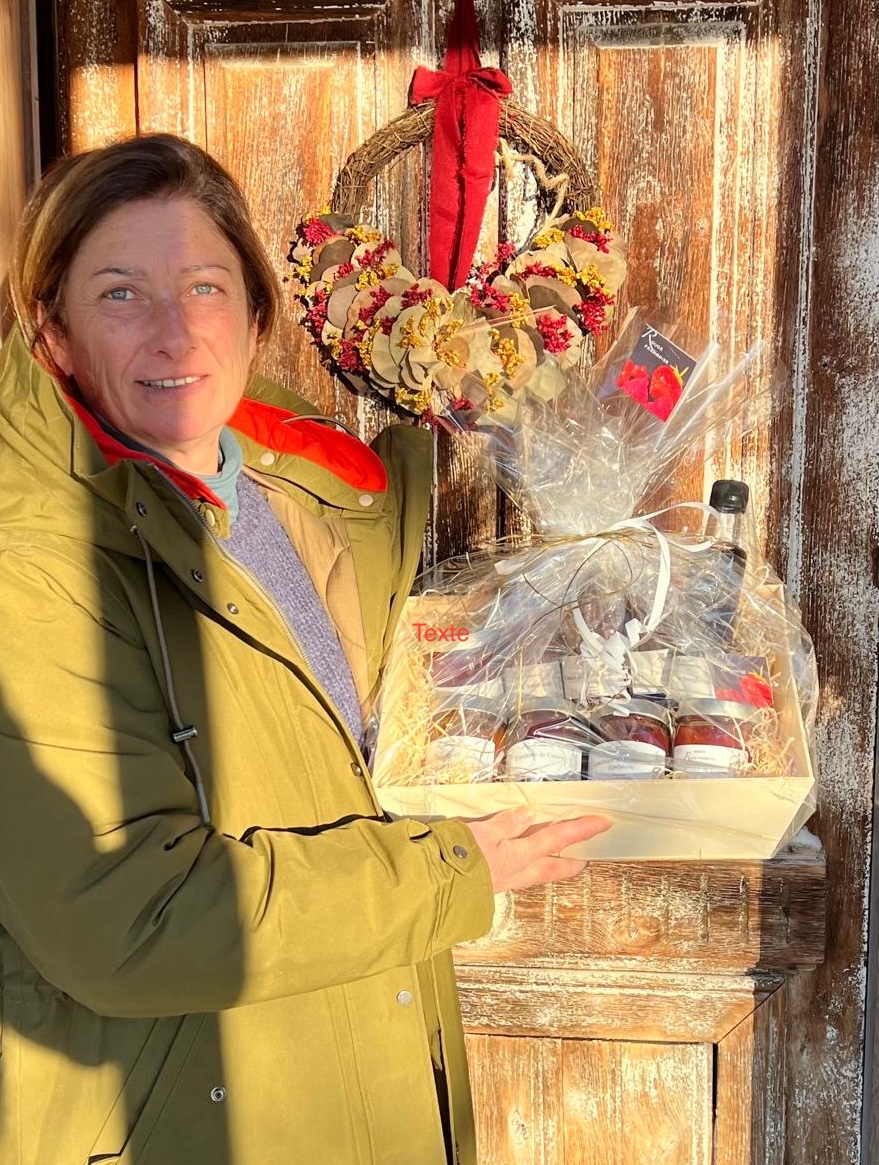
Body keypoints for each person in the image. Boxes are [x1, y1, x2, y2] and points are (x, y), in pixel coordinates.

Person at [0, 133, 610, 1165]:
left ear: (254, 312)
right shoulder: (35, 564)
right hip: (195, 1123)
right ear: (52, 334)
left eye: (204, 285)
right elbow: (125, 918)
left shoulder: (313, 498)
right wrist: (451, 872)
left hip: (366, 1080)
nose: (173, 331)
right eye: (118, 294)